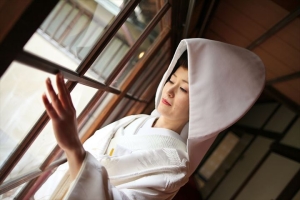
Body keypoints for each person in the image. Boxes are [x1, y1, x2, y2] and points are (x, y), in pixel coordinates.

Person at [42, 39, 265, 199]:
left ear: (203, 107)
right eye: (172, 80)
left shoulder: (175, 165)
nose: (169, 91)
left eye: (184, 90)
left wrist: (72, 146)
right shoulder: (135, 120)